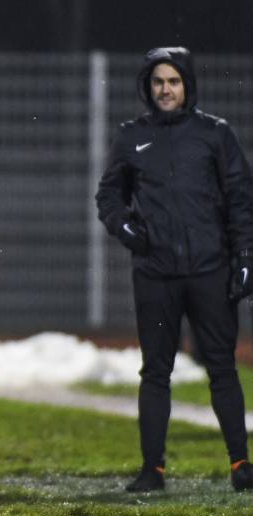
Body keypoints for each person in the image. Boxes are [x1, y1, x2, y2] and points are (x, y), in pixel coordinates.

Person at [96, 47, 253, 492]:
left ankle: (241, 465)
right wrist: (126, 228)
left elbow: (241, 199)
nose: (166, 89)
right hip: (156, 274)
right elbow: (108, 198)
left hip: (210, 271)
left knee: (222, 367)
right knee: (156, 371)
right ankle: (153, 470)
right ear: (147, 87)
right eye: (158, 82)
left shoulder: (215, 135)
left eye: (174, 81)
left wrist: (244, 259)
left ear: (188, 86)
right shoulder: (131, 137)